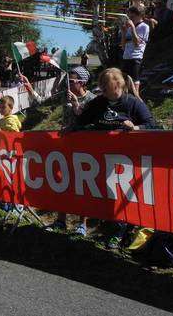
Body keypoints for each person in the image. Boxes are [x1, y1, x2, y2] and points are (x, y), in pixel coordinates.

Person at [75, 68, 155, 248]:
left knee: (122, 196)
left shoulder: (132, 103)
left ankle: (120, 233)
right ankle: (109, 229)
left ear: (119, 85)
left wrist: (135, 128)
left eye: (108, 87)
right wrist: (73, 128)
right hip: (101, 160)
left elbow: (152, 124)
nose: (104, 90)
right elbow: (81, 121)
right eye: (102, 87)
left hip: (127, 162)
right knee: (107, 195)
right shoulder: (98, 102)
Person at [46, 66, 96, 236]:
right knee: (62, 182)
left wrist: (76, 104)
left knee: (82, 186)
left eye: (72, 81)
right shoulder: (65, 96)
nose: (68, 84)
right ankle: (61, 220)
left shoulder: (92, 99)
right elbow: (44, 101)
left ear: (82, 82)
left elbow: (90, 122)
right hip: (65, 145)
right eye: (67, 80)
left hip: (84, 149)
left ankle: (82, 224)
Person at [120, 4, 149, 95]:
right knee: (124, 84)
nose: (130, 19)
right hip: (126, 57)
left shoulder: (144, 26)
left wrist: (132, 28)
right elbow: (123, 46)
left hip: (136, 58)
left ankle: (137, 103)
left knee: (135, 85)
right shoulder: (129, 28)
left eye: (132, 16)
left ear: (140, 15)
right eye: (129, 16)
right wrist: (124, 32)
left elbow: (137, 44)